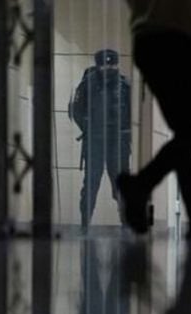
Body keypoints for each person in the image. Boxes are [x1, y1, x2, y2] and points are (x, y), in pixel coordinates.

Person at [117, 0, 191, 239]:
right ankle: (141, 186)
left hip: (148, 39)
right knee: (189, 136)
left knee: (184, 136)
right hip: (185, 39)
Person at [69, 49, 131, 231]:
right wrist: (88, 128)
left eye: (112, 65)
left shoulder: (124, 85)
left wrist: (126, 132)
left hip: (118, 141)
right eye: (104, 65)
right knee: (91, 184)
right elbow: (76, 110)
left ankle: (126, 224)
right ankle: (85, 224)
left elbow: (132, 114)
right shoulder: (87, 84)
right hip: (95, 141)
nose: (108, 68)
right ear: (98, 65)